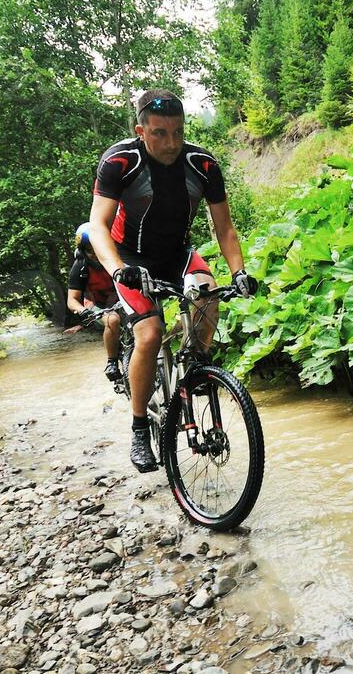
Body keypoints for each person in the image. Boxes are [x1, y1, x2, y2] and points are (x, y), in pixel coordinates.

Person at [85, 89, 259, 472]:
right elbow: (98, 226)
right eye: (160, 133)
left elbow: (225, 228)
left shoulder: (203, 164)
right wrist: (117, 268)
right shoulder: (120, 161)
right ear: (141, 130)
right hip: (130, 259)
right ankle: (138, 427)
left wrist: (239, 272)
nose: (172, 143)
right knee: (148, 334)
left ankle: (195, 368)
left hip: (177, 254)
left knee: (208, 295)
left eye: (178, 132)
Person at [65, 222, 124, 386]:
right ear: (84, 250)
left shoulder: (119, 257)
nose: (95, 254)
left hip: (122, 299)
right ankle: (111, 362)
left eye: (98, 247)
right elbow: (72, 299)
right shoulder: (80, 266)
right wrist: (83, 311)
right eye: (90, 250)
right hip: (95, 304)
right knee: (112, 320)